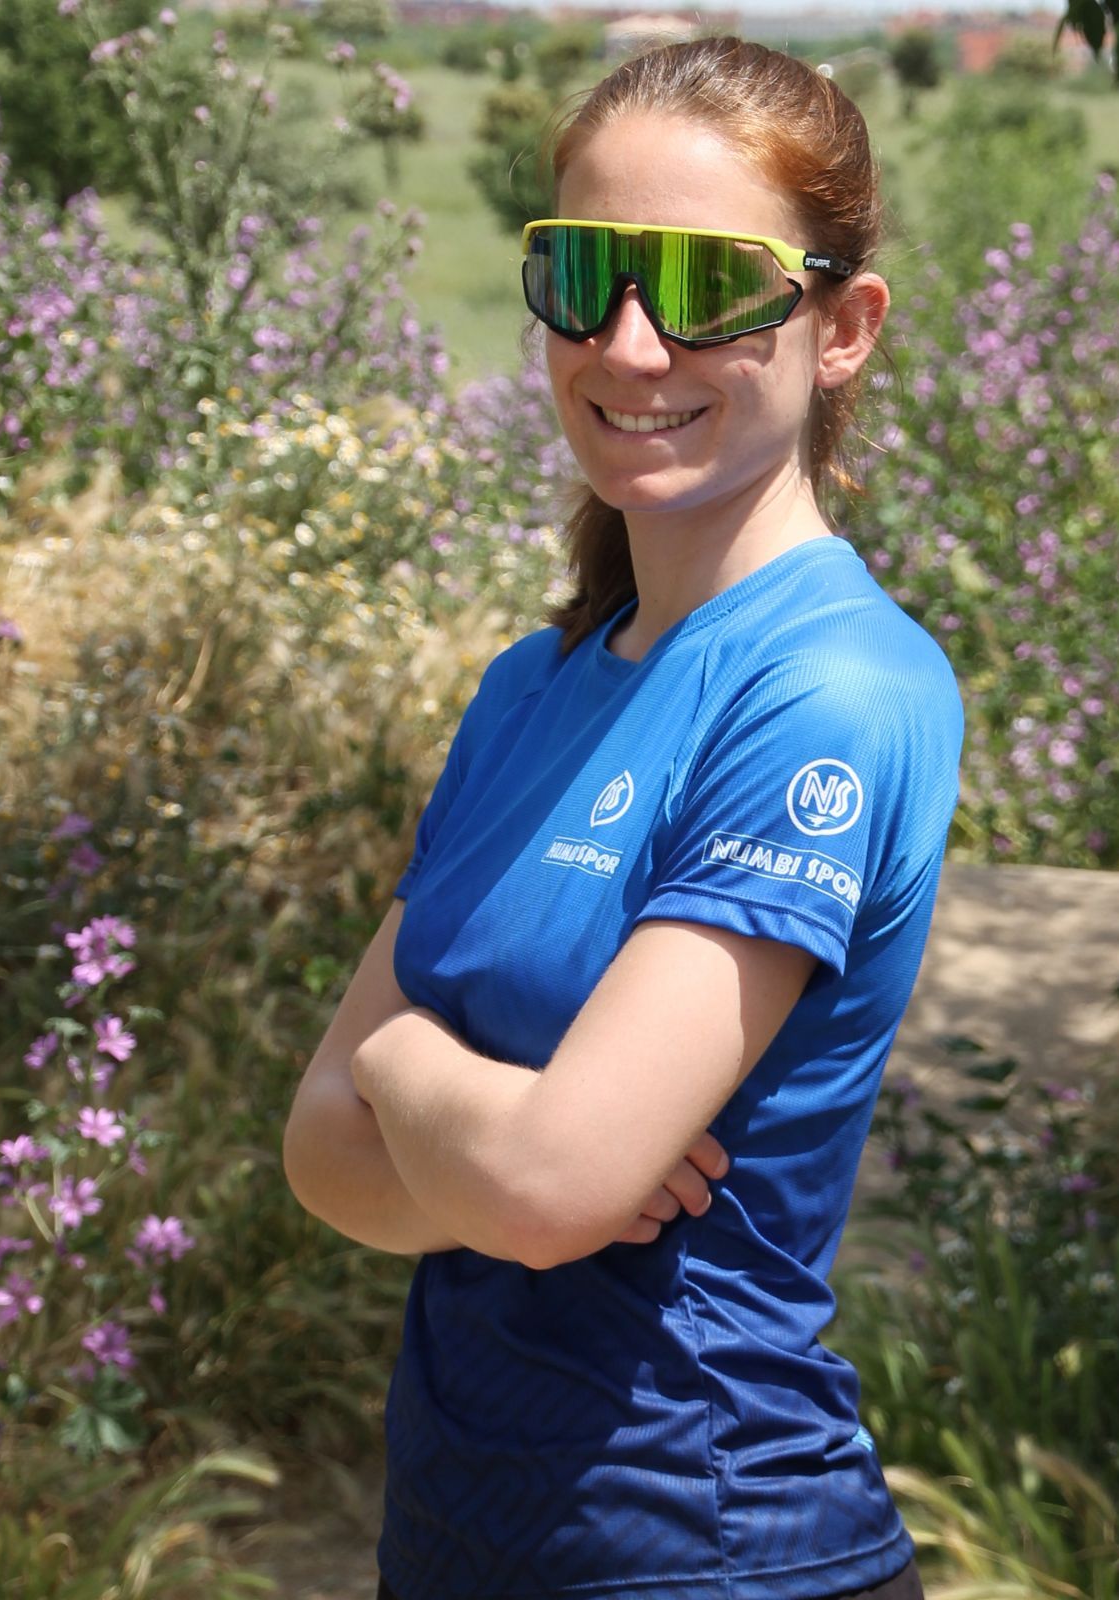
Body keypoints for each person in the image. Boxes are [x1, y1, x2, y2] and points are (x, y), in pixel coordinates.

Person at [282, 34, 963, 1600]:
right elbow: (321, 1156)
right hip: (451, 1539)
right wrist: (496, 1141)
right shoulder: (531, 686)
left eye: (711, 286)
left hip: (707, 1544)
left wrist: (401, 1070)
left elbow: (539, 1186)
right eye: (585, 276)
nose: (633, 344)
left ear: (843, 326)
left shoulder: (828, 690)